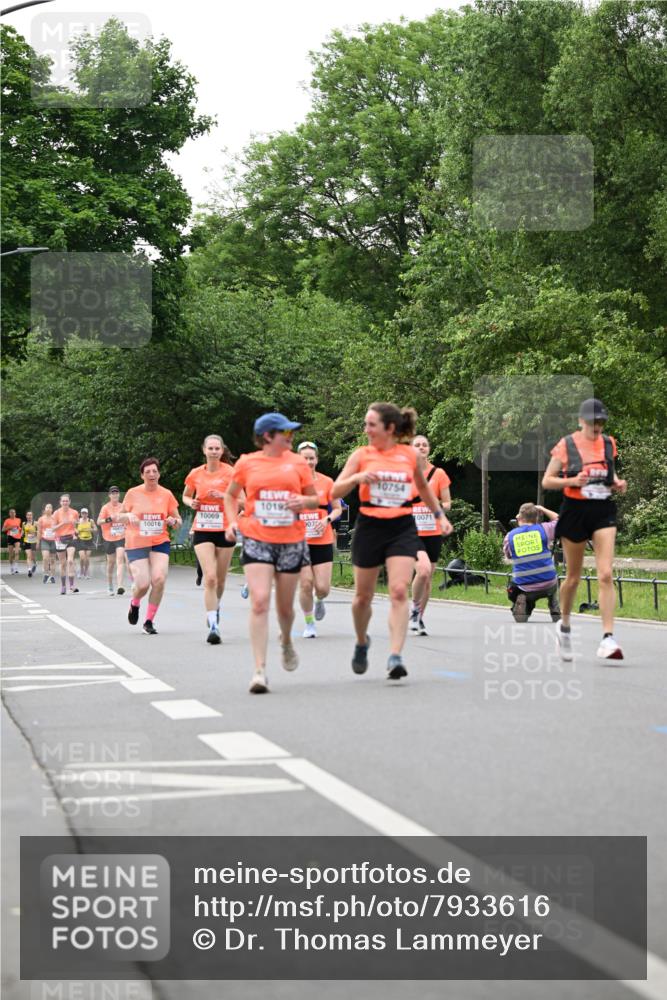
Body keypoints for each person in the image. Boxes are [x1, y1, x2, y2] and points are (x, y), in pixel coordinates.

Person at [332, 402, 453, 680]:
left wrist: (439, 516)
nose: (366, 429)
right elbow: (335, 490)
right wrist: (358, 477)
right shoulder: (361, 455)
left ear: (388, 428)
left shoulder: (408, 456)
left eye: (370, 424)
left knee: (399, 590)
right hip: (370, 526)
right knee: (363, 598)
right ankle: (362, 641)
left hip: (401, 526)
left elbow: (423, 488)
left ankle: (395, 655)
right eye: (366, 424)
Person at [224, 413, 318, 694]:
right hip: (257, 538)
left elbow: (314, 499)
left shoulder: (298, 463)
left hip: (291, 541)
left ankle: (286, 639)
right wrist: (231, 521)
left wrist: (304, 501)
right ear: (268, 436)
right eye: (285, 434)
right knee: (260, 601)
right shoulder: (246, 463)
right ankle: (259, 670)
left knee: (286, 608)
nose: (290, 438)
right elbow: (231, 495)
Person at [542, 398, 627, 660]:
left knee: (605, 574)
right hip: (575, 512)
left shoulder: (609, 444)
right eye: (593, 422)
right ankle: (564, 626)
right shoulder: (567, 445)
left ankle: (608, 639)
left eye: (601, 422)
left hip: (602, 510)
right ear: (581, 421)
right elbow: (548, 481)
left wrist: (617, 483)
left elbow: (608, 474)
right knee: (574, 578)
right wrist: (571, 480)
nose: (597, 427)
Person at [115, 458, 181, 635]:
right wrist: (128, 515)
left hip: (160, 541)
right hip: (136, 542)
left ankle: (149, 621)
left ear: (159, 473)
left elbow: (177, 520)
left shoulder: (166, 494)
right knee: (143, 584)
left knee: (159, 579)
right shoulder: (132, 493)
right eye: (147, 472)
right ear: (142, 475)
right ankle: (135, 603)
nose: (151, 474)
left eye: (154, 471)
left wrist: (174, 521)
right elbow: (118, 517)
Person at [183, 434, 238, 645]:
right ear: (204, 450)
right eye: (211, 448)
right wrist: (191, 504)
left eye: (217, 448)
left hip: (225, 528)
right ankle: (213, 623)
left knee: (221, 580)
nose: (214, 451)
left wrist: (223, 496)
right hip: (203, 528)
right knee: (211, 578)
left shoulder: (231, 473)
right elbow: (186, 495)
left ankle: (216, 606)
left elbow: (242, 500)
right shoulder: (195, 474)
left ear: (222, 451)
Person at [296, 441, 343, 638]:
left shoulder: (327, 482)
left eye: (311, 458)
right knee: (306, 583)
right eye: (304, 458)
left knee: (322, 588)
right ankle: (309, 624)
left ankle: (319, 600)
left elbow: (338, 508)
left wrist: (327, 519)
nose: (308, 462)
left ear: (317, 459)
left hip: (322, 540)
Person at [409, 434, 452, 636]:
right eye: (417, 444)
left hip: (432, 531)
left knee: (428, 578)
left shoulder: (439, 473)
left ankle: (419, 617)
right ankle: (414, 610)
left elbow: (447, 503)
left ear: (429, 449)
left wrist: (434, 506)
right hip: (411, 532)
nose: (421, 447)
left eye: (424, 445)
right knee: (423, 571)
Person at [503, 503, 561, 623]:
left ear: (519, 518)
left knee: (512, 589)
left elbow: (508, 555)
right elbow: (559, 519)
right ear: (536, 518)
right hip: (548, 584)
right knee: (553, 580)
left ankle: (523, 602)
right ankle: (553, 604)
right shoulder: (544, 529)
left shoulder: (510, 536)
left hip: (524, 586)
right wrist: (542, 509)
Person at [98, 487, 127, 596]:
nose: (115, 495)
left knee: (120, 560)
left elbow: (128, 518)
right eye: (112, 493)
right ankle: (110, 585)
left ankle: (120, 586)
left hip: (121, 536)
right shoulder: (105, 508)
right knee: (111, 563)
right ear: (109, 495)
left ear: (119, 495)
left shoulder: (123, 506)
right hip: (108, 537)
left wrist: (123, 519)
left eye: (116, 493)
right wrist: (109, 519)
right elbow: (99, 521)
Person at [52, 495, 79, 594]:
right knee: (63, 564)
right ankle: (63, 586)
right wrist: (62, 523)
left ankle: (71, 585)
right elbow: (53, 528)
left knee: (70, 561)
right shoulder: (56, 513)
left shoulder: (74, 512)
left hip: (71, 538)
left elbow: (76, 525)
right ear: (60, 502)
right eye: (63, 501)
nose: (65, 503)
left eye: (66, 501)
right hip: (59, 539)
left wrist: (76, 532)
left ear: (69, 502)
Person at [37, 503, 57, 583]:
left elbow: (59, 529)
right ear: (45, 509)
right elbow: (39, 531)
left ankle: (52, 576)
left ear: (52, 510)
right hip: (44, 540)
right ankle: (46, 574)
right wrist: (38, 542)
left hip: (54, 540)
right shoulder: (41, 519)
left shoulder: (55, 518)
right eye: (47, 507)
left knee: (52, 560)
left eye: (50, 507)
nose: (48, 509)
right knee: (45, 558)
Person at [76, 507, 95, 579]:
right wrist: (77, 531)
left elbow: (95, 529)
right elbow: (74, 528)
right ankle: (81, 570)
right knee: (82, 558)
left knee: (87, 558)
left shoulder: (91, 521)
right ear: (81, 514)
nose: (84, 515)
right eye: (82, 513)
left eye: (85, 513)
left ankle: (86, 572)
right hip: (81, 540)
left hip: (89, 540)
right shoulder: (78, 521)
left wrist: (91, 529)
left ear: (87, 514)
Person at [3, 509, 22, 574]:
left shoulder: (18, 520)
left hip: (17, 537)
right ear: (9, 514)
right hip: (10, 537)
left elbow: (19, 527)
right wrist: (9, 528)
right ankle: (11, 567)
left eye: (14, 512)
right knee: (11, 554)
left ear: (15, 513)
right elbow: (3, 529)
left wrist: (20, 530)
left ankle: (16, 568)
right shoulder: (7, 520)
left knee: (17, 552)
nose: (12, 514)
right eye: (11, 513)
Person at [21, 512, 38, 577]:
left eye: (30, 515)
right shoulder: (24, 523)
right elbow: (22, 532)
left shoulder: (36, 523)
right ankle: (29, 570)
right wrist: (21, 534)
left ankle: (35, 563)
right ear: (26, 516)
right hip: (26, 541)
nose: (29, 516)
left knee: (33, 556)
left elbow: (39, 532)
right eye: (28, 515)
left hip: (34, 541)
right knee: (29, 556)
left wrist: (34, 532)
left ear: (32, 516)